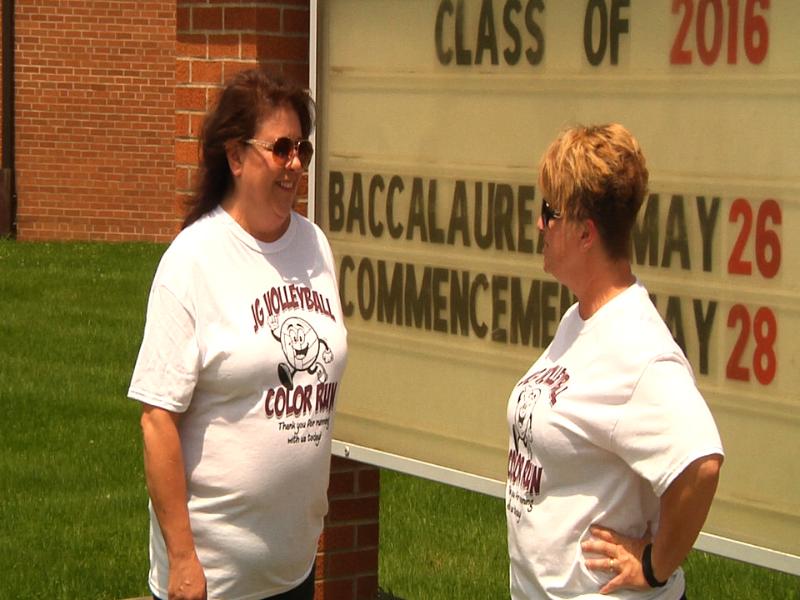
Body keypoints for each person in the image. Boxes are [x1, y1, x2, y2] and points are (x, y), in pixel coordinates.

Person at [128, 68, 348, 600]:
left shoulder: (314, 246)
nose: (294, 164)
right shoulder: (193, 260)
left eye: (302, 149)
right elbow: (158, 419)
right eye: (280, 148)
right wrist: (183, 560)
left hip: (292, 570)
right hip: (214, 581)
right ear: (235, 157)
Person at [505, 123, 723, 599]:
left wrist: (654, 564)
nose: (540, 224)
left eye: (550, 212)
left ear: (586, 233)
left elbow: (701, 464)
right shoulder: (580, 318)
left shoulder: (639, 348)